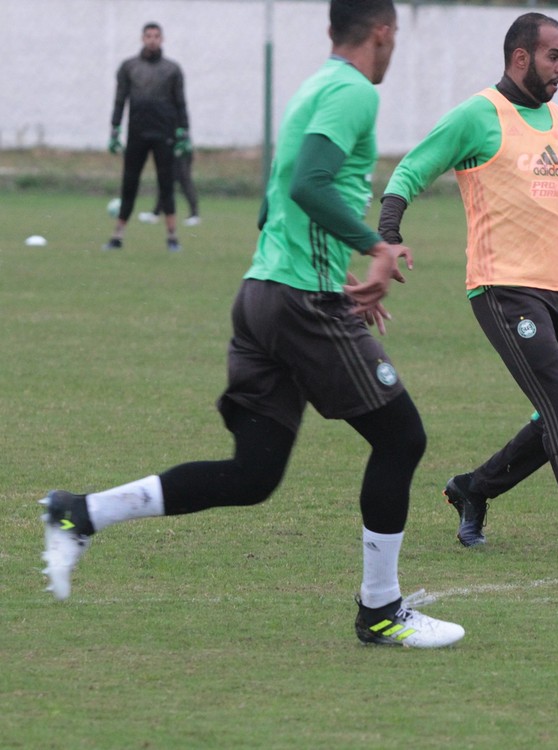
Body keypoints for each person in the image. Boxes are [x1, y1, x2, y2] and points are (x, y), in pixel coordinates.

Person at [41, 0, 464, 649]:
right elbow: (308, 185)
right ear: (383, 32)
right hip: (298, 300)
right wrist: (374, 248)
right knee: (402, 437)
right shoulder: (353, 92)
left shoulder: (312, 89)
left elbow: (275, 205)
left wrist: (329, 270)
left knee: (254, 473)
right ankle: (380, 611)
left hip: (264, 293)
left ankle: (79, 513)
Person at [377, 12, 558, 561]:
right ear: (521, 58)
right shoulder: (479, 115)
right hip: (503, 288)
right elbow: (410, 171)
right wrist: (389, 235)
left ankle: (474, 488)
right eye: (554, 56)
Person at [104, 22, 189, 253]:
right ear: (142, 38)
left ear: (162, 39)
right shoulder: (129, 67)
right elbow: (120, 100)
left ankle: (172, 237)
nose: (152, 39)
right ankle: (117, 236)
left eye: (156, 36)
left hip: (164, 134)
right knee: (129, 184)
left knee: (166, 185)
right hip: (137, 133)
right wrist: (114, 128)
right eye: (148, 36)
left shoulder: (172, 69)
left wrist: (184, 131)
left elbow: (180, 103)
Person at [139, 147, 200, 227]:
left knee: (183, 182)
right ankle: (156, 213)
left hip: (180, 152)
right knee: (168, 182)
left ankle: (194, 214)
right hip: (177, 152)